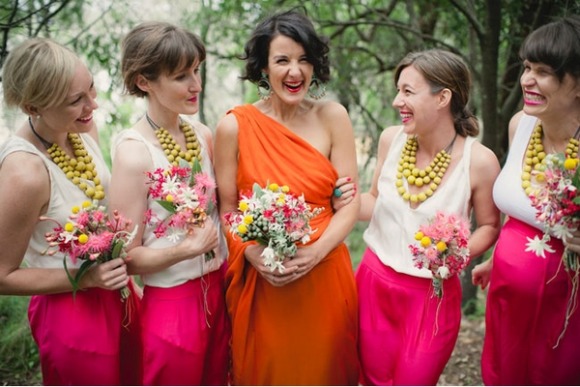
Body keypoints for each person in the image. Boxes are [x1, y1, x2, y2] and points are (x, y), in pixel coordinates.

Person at [213, 9, 361, 385]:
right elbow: (228, 209)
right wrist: (251, 252)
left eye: (304, 59)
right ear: (263, 67)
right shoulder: (234, 126)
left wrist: (315, 252)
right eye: (282, 60)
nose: (295, 72)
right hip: (266, 281)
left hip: (324, 274)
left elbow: (350, 204)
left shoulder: (333, 117)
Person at [337, 48, 501, 385]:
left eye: (408, 91)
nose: (397, 101)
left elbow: (489, 226)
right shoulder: (390, 140)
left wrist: (458, 254)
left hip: (432, 299)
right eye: (398, 91)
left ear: (443, 97)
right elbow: (372, 204)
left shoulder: (480, 161)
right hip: (373, 283)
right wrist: (340, 197)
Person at [0, 38, 136, 386]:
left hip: (115, 297)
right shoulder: (25, 172)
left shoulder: (81, 128)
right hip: (70, 314)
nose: (93, 104)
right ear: (33, 107)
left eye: (90, 88)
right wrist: (86, 278)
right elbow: (2, 275)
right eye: (76, 100)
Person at [109, 21, 229, 385]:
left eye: (196, 71)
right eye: (181, 76)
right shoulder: (134, 154)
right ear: (145, 81)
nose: (196, 85)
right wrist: (185, 250)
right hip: (172, 303)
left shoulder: (202, 134)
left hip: (220, 289)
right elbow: (125, 258)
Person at [472, 16, 580, 385]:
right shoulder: (521, 125)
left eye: (544, 71)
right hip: (506, 296)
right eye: (526, 67)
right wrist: (499, 254)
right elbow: (519, 207)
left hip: (566, 305)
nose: (527, 80)